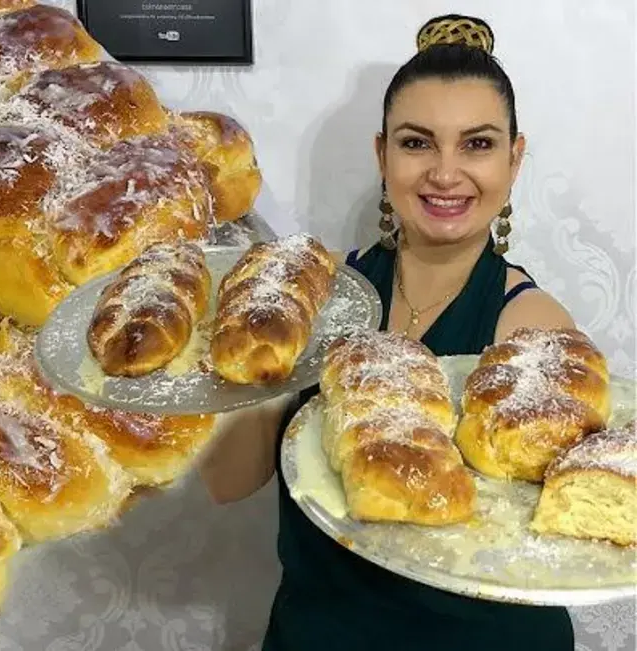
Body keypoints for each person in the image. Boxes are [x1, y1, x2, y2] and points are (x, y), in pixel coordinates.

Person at [199, 13, 581, 651]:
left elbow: (554, 544)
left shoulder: (532, 327)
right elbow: (226, 483)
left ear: (514, 160)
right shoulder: (317, 295)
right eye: (417, 142)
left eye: (477, 144)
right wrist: (260, 352)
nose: (445, 173)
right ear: (383, 155)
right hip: (316, 632)